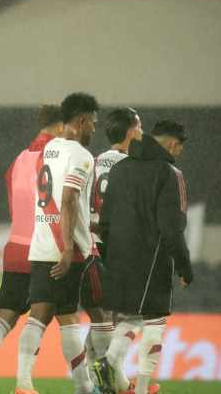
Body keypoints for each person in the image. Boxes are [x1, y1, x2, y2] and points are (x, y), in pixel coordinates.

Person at [14, 92, 101, 394]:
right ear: (81, 120)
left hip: (41, 242)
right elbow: (68, 199)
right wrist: (67, 248)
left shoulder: (49, 149)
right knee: (61, 316)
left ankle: (73, 385)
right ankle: (72, 387)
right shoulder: (81, 155)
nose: (94, 129)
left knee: (49, 315)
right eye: (93, 123)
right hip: (65, 247)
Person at [97, 120, 193, 394]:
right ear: (173, 144)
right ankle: (141, 388)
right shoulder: (170, 173)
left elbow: (105, 220)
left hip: (117, 258)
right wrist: (184, 267)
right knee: (155, 319)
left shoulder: (119, 169)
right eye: (180, 147)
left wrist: (109, 255)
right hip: (152, 258)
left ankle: (110, 362)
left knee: (131, 316)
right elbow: (173, 228)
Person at [0, 105, 62, 394]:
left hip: (16, 244)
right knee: (41, 314)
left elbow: (13, 199)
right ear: (62, 126)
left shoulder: (19, 159)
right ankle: (24, 382)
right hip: (43, 247)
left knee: (5, 317)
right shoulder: (57, 155)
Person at [85, 107, 144, 383]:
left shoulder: (92, 162)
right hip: (118, 247)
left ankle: (97, 382)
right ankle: (110, 368)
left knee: (101, 317)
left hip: (91, 245)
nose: (142, 132)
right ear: (132, 130)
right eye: (140, 127)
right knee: (135, 314)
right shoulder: (134, 167)